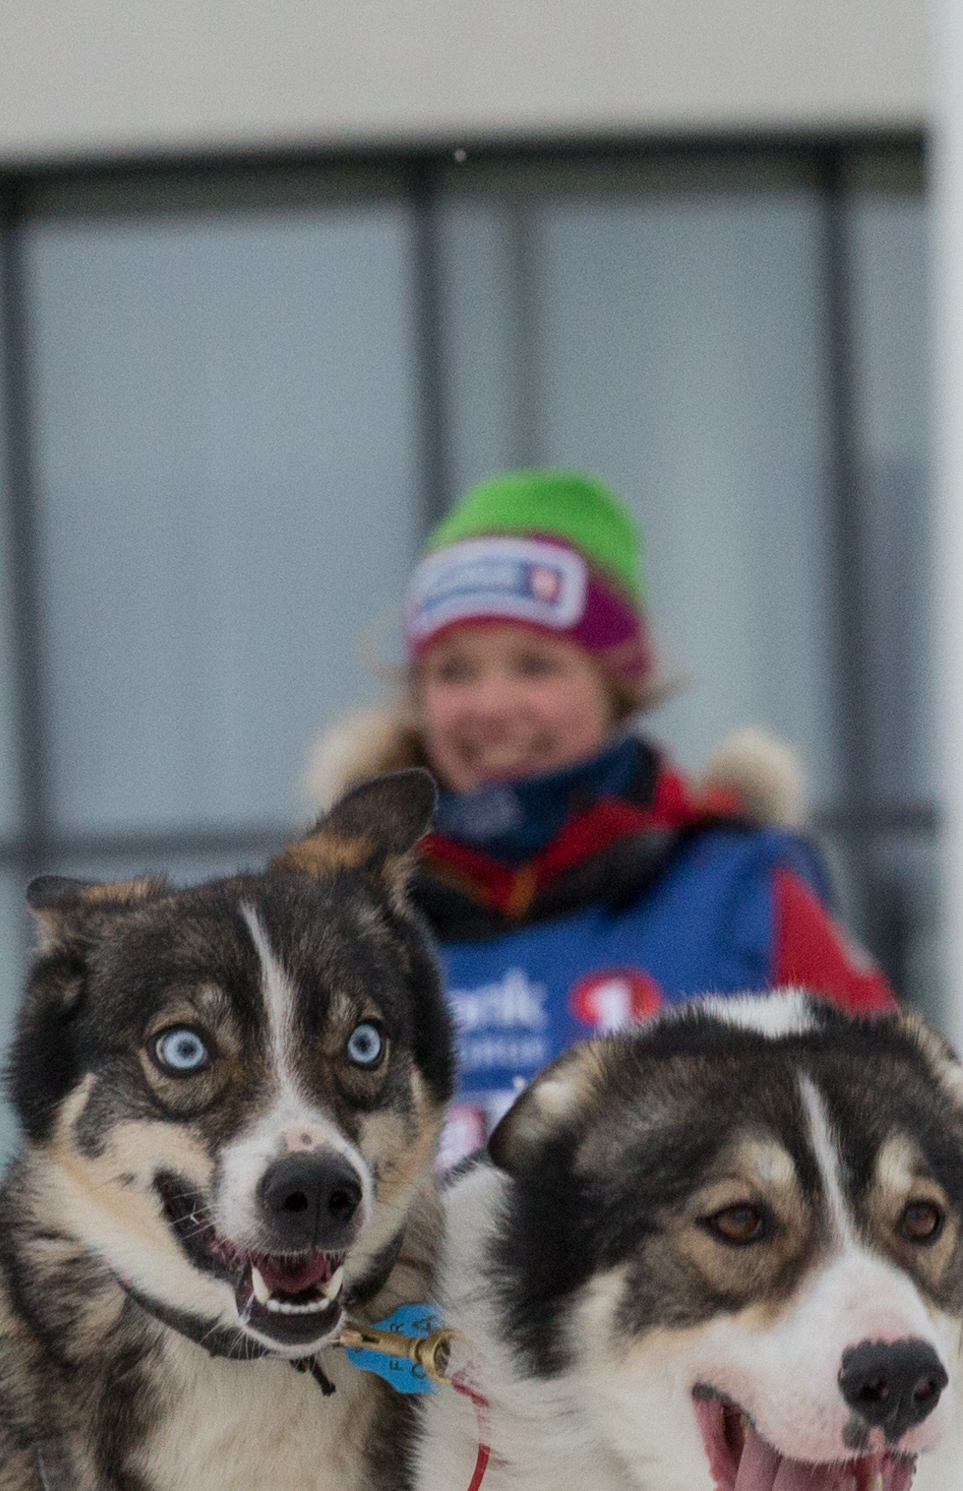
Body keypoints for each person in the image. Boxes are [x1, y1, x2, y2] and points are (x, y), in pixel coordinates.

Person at [310, 468, 889, 1162]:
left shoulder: (739, 895)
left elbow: (891, 1137)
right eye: (454, 671)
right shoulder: (342, 919)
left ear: (617, 684)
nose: (490, 705)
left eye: (534, 666)